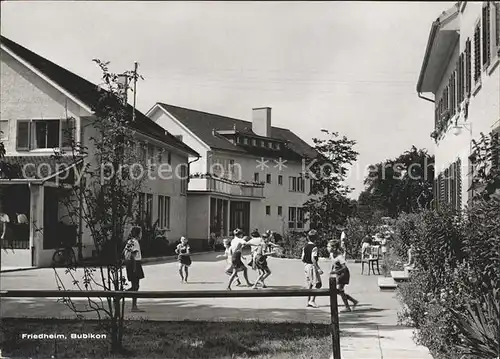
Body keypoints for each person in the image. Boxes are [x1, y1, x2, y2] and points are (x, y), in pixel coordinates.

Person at [328, 240, 358, 312]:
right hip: (339, 273)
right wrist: (331, 270)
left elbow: (344, 267)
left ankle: (348, 307)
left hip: (344, 274)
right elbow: (333, 262)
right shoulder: (332, 254)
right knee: (339, 291)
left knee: (339, 290)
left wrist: (335, 272)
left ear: (334, 248)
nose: (327, 248)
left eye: (329, 246)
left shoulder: (339, 256)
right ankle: (353, 301)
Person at [123, 226, 145, 312]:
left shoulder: (130, 241)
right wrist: (135, 267)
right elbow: (133, 254)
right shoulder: (135, 242)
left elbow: (125, 252)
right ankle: (132, 305)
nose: (141, 234)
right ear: (138, 234)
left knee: (135, 285)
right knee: (135, 286)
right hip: (134, 264)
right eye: (141, 232)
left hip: (130, 264)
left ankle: (132, 304)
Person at [302, 229, 323, 308]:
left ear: (308, 237)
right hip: (312, 266)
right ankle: (312, 300)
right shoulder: (314, 247)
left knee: (309, 284)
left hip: (306, 265)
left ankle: (308, 300)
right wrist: (318, 268)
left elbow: (302, 258)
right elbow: (313, 259)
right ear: (316, 238)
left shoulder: (305, 247)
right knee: (317, 284)